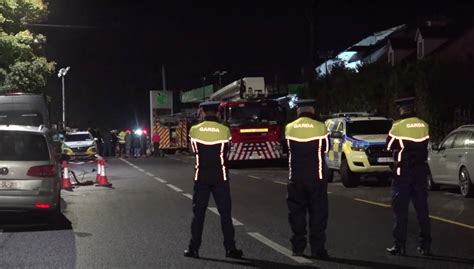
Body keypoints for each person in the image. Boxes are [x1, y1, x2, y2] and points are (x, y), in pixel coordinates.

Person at [184, 101, 243, 259]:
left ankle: (193, 248)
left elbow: (192, 151)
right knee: (225, 214)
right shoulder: (225, 130)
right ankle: (230, 249)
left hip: (201, 176)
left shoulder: (194, 130)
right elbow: (228, 150)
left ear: (202, 112)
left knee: (199, 214)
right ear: (217, 113)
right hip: (220, 177)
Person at [385, 97, 431, 256]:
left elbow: (389, 145)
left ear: (402, 110)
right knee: (422, 211)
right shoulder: (423, 125)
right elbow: (425, 144)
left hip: (402, 172)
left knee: (400, 211)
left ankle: (399, 246)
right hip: (420, 171)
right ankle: (425, 246)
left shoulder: (397, 126)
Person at [285, 99, 330, 259]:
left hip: (295, 178)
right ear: (312, 110)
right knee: (318, 214)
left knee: (296, 214)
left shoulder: (289, 128)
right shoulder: (321, 127)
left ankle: (297, 248)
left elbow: (287, 148)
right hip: (316, 177)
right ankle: (318, 250)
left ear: (298, 111)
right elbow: (326, 148)